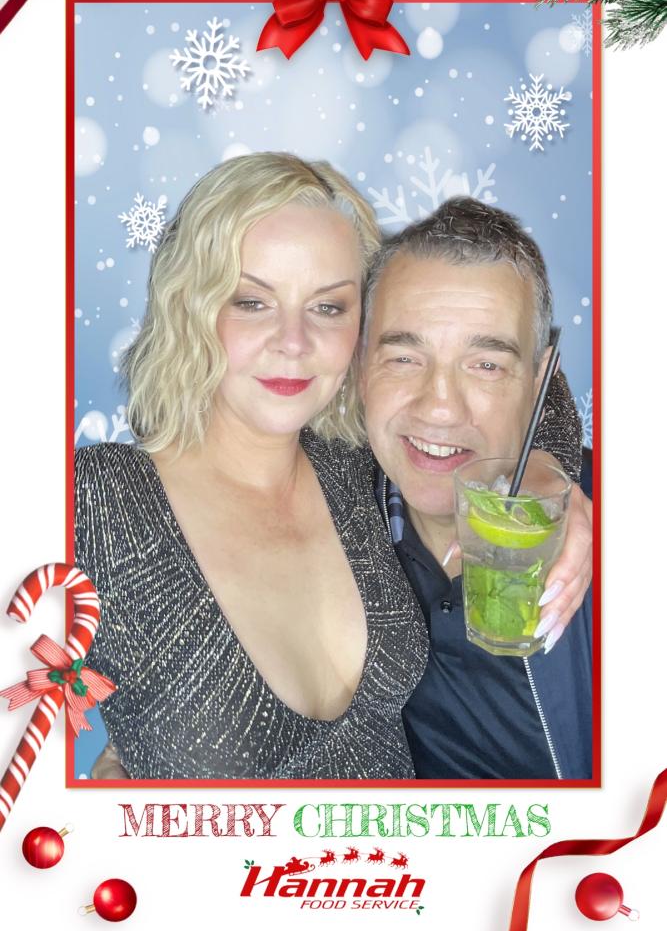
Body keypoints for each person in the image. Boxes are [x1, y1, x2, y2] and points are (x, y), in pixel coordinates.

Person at [75, 152, 430, 780]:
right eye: (251, 302)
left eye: (328, 307)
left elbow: (511, 374)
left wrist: (547, 469)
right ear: (191, 306)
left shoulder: (360, 464)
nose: (293, 342)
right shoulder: (97, 500)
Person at [361, 197, 593, 779]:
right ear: (360, 365)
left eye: (486, 365)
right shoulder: (335, 511)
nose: (440, 407)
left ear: (539, 381)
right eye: (404, 357)